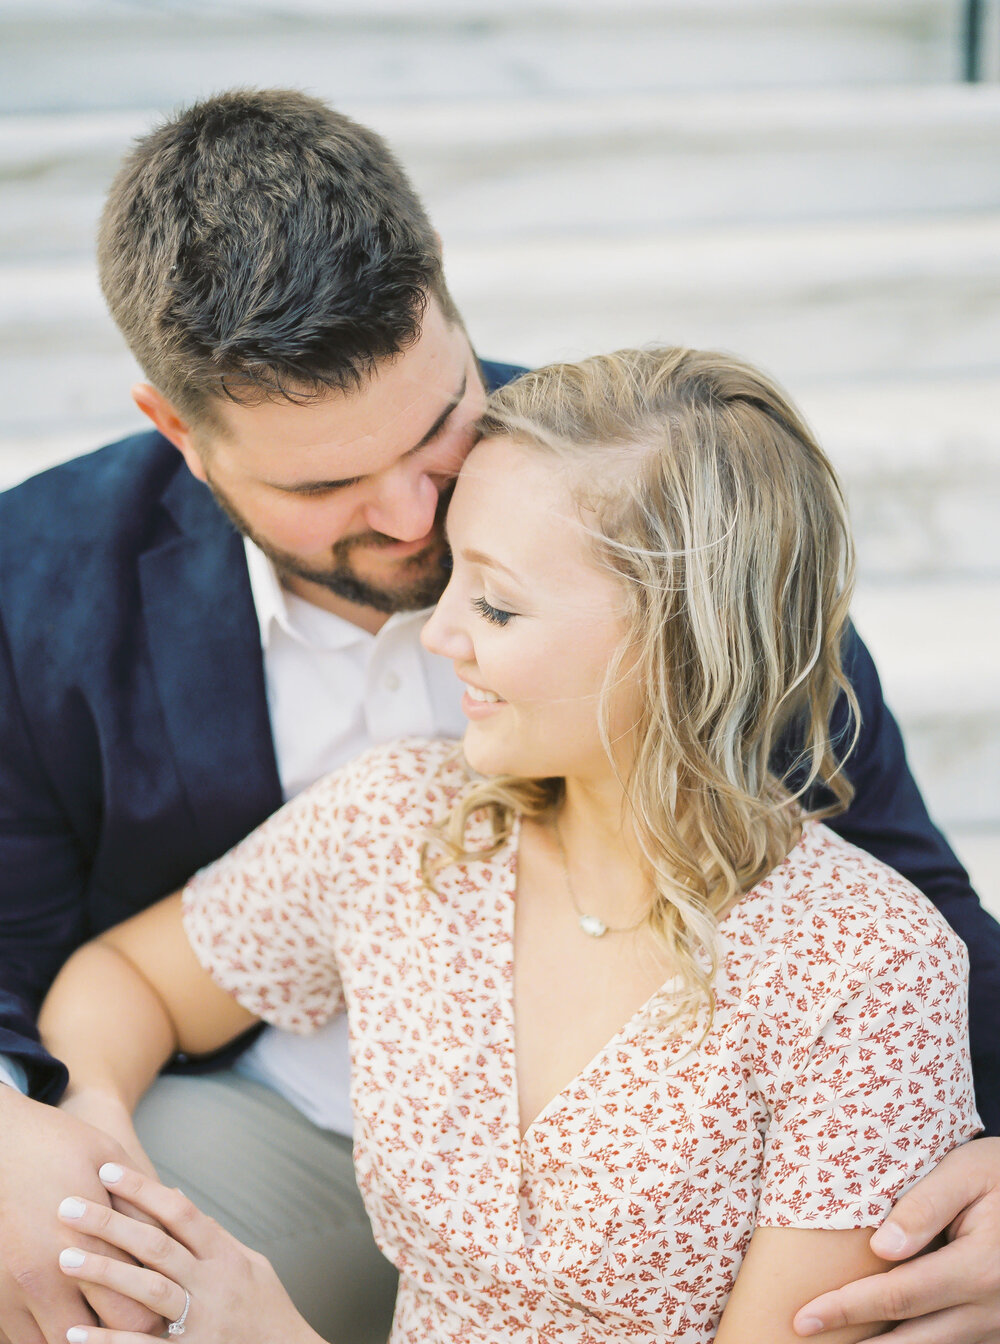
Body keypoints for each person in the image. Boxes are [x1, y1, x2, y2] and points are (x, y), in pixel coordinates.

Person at [0, 88, 999, 1344]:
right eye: (328, 484)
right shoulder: (47, 587)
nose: (418, 527)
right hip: (281, 1130)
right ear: (183, 440)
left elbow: (921, 926)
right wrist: (53, 1125)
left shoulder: (662, 507)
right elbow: (50, 961)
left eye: (435, 433)